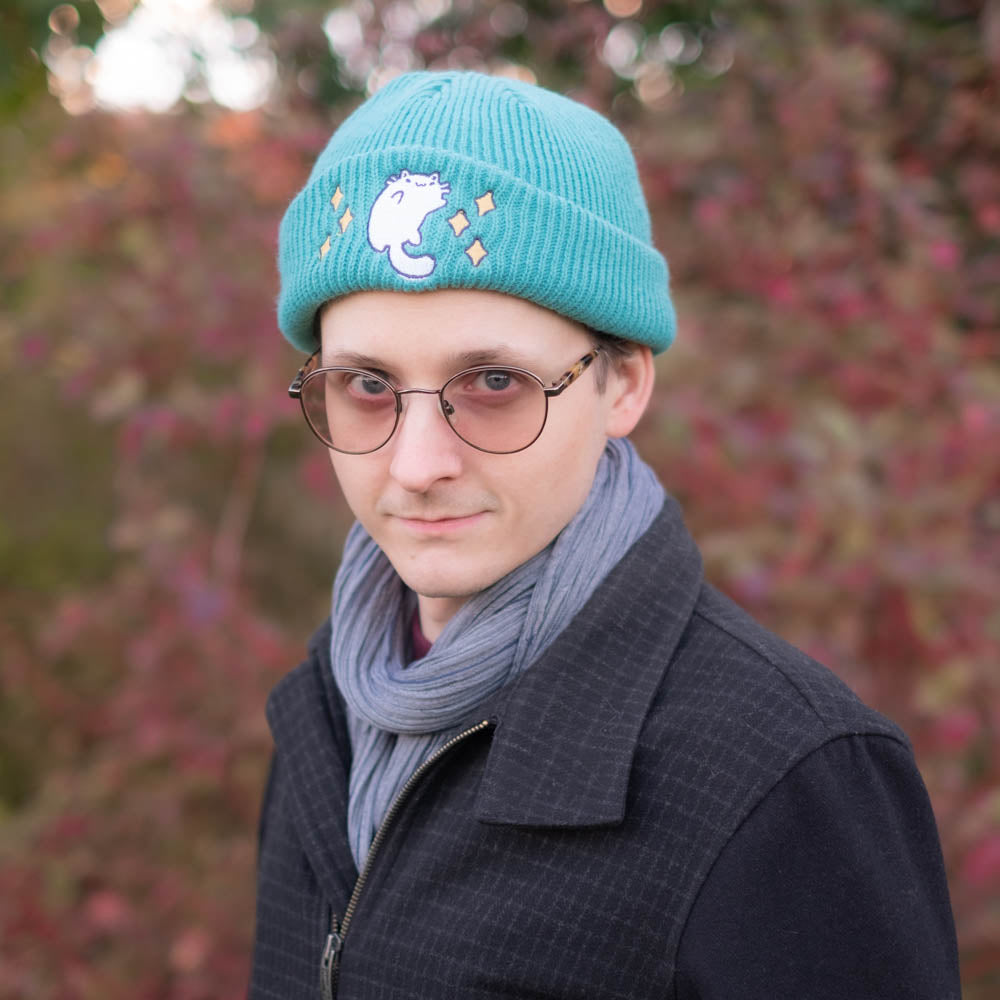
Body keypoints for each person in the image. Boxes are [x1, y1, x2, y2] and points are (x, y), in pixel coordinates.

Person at [249, 71, 960, 999]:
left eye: (494, 384)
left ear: (621, 385)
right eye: (369, 386)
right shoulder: (325, 718)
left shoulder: (787, 778)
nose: (417, 464)